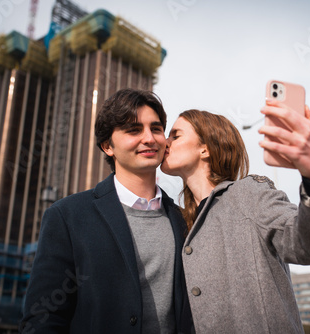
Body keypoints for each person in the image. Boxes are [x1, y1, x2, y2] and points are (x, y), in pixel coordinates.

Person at [160, 99, 310, 333]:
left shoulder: (249, 194)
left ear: (205, 148)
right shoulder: (177, 221)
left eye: (175, 135)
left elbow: (309, 243)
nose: (164, 142)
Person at [20, 88, 192, 333]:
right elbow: (43, 319)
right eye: (134, 130)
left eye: (155, 128)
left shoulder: (183, 220)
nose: (149, 138)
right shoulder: (67, 216)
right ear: (107, 146)